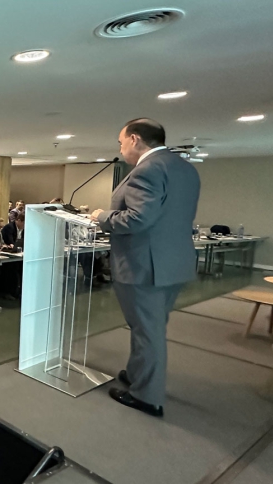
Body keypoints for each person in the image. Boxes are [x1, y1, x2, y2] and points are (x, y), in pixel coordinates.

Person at [90, 118, 200, 417]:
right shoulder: (184, 168)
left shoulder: (148, 169)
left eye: (121, 141)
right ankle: (137, 374)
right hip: (172, 263)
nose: (121, 147)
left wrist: (102, 216)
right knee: (150, 327)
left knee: (147, 332)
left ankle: (147, 396)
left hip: (144, 265)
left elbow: (138, 219)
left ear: (135, 139)